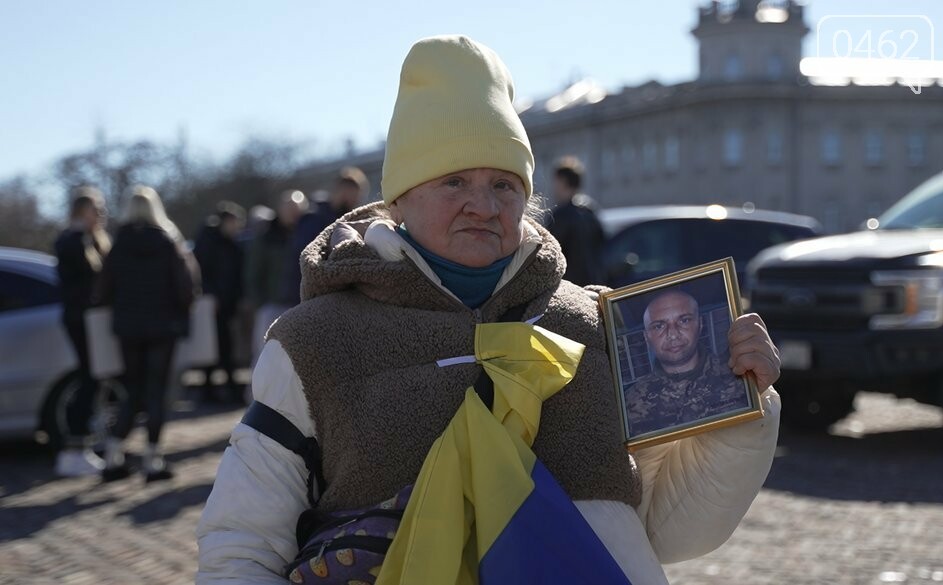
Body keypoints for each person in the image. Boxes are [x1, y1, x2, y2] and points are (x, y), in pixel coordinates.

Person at [197, 35, 781, 584]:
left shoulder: (600, 326)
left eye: (504, 184)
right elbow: (242, 542)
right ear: (399, 197)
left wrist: (742, 402)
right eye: (453, 181)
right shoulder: (313, 343)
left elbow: (666, 530)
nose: (482, 204)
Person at [96, 186, 197, 482]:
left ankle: (113, 455)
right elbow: (185, 287)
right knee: (157, 392)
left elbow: (103, 289)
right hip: (163, 327)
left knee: (132, 391)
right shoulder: (168, 241)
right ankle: (153, 460)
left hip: (128, 327)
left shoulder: (118, 244)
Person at [625, 290, 750, 437]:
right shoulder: (631, 401)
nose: (672, 334)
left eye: (684, 320)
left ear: (700, 324)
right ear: (647, 337)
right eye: (659, 326)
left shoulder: (739, 375)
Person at [52, 186, 110, 477]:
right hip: (81, 320)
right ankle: (73, 449)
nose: (100, 214)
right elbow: (81, 286)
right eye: (95, 209)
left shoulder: (84, 240)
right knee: (89, 378)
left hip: (86, 319)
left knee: (93, 379)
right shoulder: (72, 241)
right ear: (81, 211)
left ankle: (78, 446)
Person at [279, 167, 368, 305]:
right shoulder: (314, 220)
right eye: (353, 194)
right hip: (306, 297)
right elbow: (305, 258)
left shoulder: (351, 221)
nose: (355, 200)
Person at [245, 190, 308, 365]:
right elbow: (254, 272)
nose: (293, 213)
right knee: (263, 355)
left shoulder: (306, 234)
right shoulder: (266, 236)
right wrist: (261, 302)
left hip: (299, 304)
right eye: (289, 208)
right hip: (272, 304)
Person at [193, 202, 246, 403]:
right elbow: (202, 272)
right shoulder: (209, 242)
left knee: (223, 347)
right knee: (217, 348)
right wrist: (210, 294)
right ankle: (217, 391)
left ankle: (220, 390)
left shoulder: (232, 244)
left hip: (226, 303)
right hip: (213, 303)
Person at [544, 156, 606, 286]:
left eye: (556, 182)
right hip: (593, 284)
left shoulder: (561, 216)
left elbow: (550, 254)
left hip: (568, 285)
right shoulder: (590, 212)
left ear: (563, 181)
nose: (553, 187)